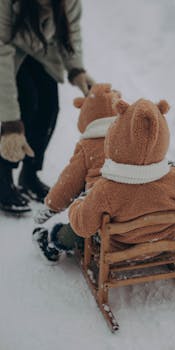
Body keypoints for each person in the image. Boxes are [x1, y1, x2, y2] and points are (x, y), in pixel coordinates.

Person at [33, 97, 175, 262]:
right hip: (164, 243)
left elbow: (83, 225)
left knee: (85, 225)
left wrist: (79, 203)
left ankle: (53, 240)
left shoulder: (107, 188)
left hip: (122, 250)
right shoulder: (173, 179)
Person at [0, 0, 94, 213]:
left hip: (43, 54)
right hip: (8, 53)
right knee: (27, 103)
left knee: (49, 110)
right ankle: (2, 176)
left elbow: (71, 33)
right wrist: (11, 125)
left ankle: (30, 174)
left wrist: (76, 69)